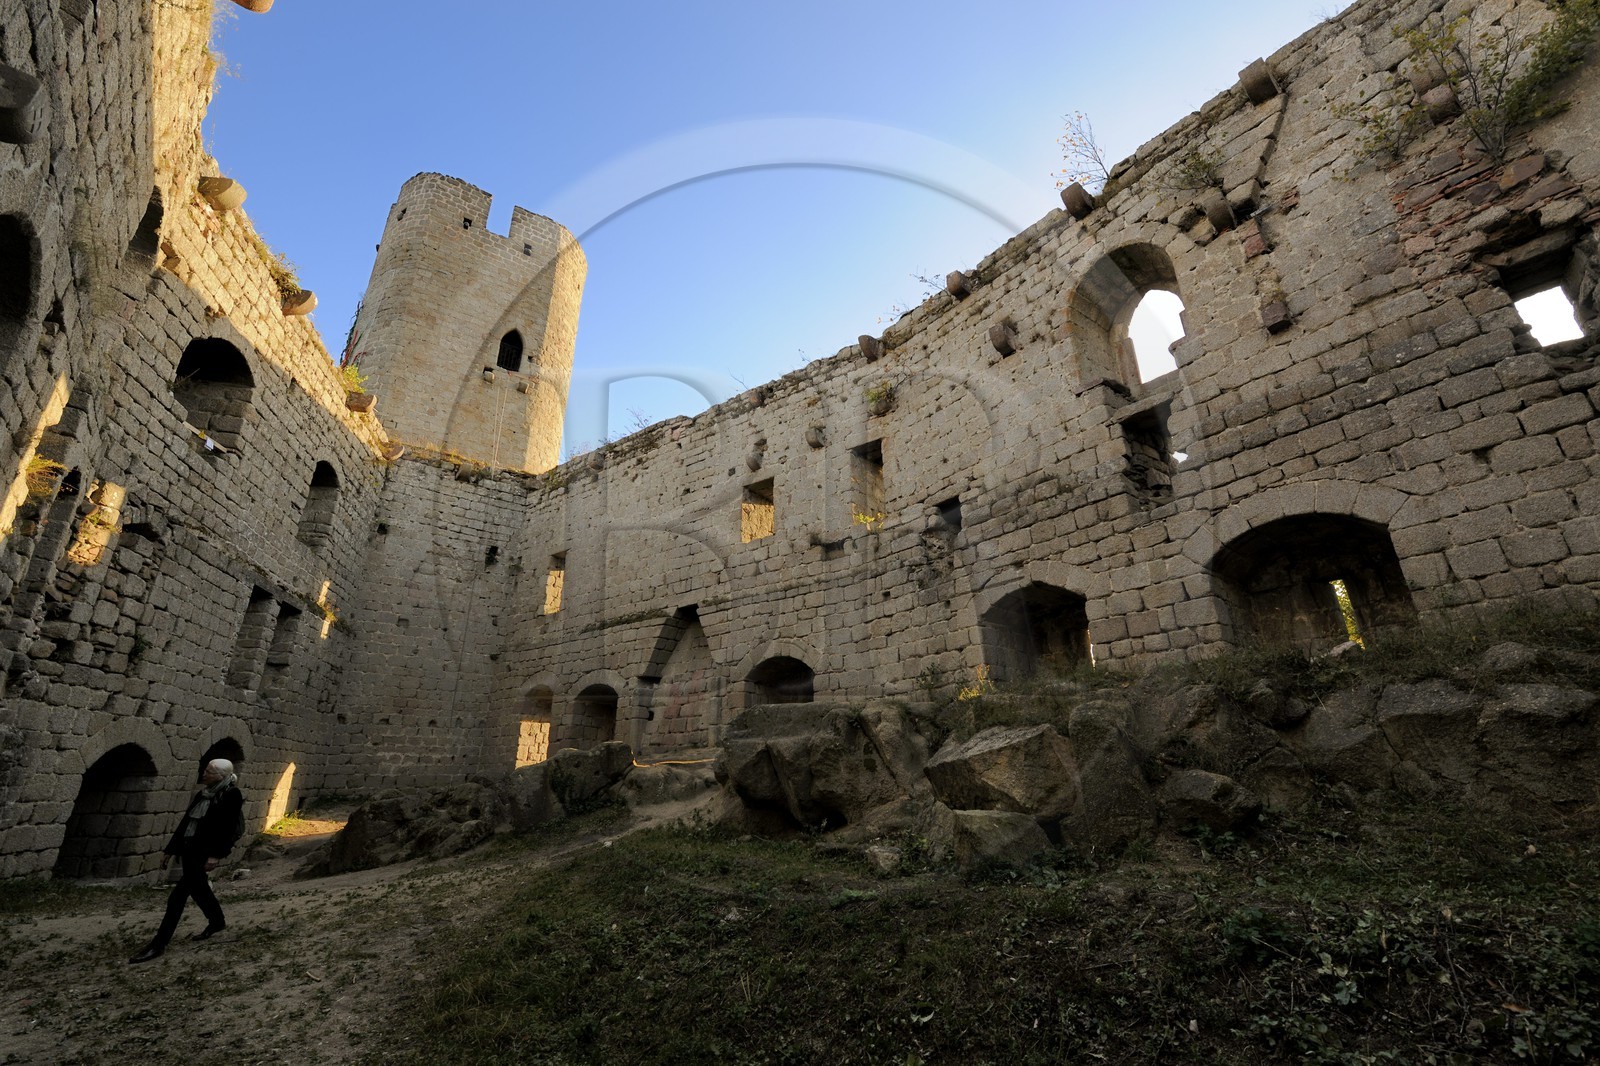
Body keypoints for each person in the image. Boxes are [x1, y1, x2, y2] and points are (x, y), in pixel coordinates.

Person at [129, 758, 245, 963]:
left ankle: (159, 944)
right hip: (190, 849)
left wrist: (216, 855)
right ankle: (217, 921)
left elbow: (226, 828)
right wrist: (170, 850)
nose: (204, 774)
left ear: (220, 776)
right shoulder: (204, 793)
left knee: (177, 897)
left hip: (204, 851)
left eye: (209, 772)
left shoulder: (231, 795)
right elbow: (187, 821)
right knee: (200, 889)